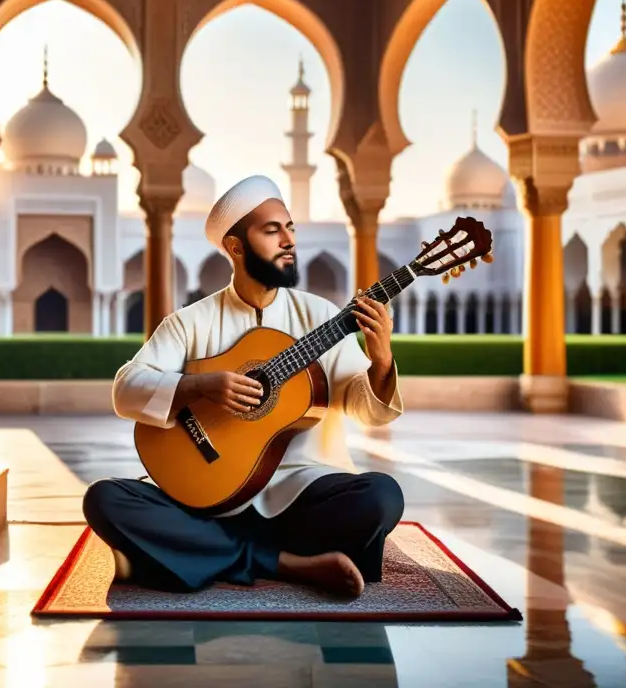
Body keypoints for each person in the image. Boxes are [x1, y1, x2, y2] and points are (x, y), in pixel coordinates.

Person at [82, 174, 405, 598]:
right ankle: (283, 562)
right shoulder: (189, 322)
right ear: (235, 247)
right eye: (272, 230)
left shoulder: (321, 317)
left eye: (290, 228)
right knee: (105, 499)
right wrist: (201, 387)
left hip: (301, 494)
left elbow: (369, 410)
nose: (288, 240)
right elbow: (126, 390)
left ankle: (202, 555)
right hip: (207, 498)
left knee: (382, 496)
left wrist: (381, 359)